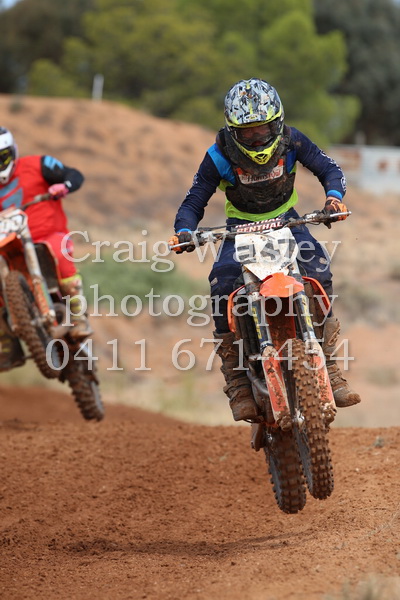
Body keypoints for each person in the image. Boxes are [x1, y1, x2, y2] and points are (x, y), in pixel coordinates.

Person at [169, 78, 361, 422]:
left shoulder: (293, 141)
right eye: (248, 133)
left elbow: (329, 168)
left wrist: (334, 198)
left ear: (278, 122)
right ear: (233, 132)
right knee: (221, 285)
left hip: (288, 221)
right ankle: (238, 382)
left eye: (264, 130)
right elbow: (194, 200)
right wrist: (184, 231)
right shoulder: (218, 156)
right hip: (239, 229)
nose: (258, 139)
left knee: (319, 271)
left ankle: (331, 369)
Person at [0, 126, 91, 368]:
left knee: (61, 257)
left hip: (47, 234)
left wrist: (65, 185)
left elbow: (73, 174)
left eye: (2, 158)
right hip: (7, 246)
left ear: (12, 153)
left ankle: (78, 316)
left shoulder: (38, 165)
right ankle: (7, 342)